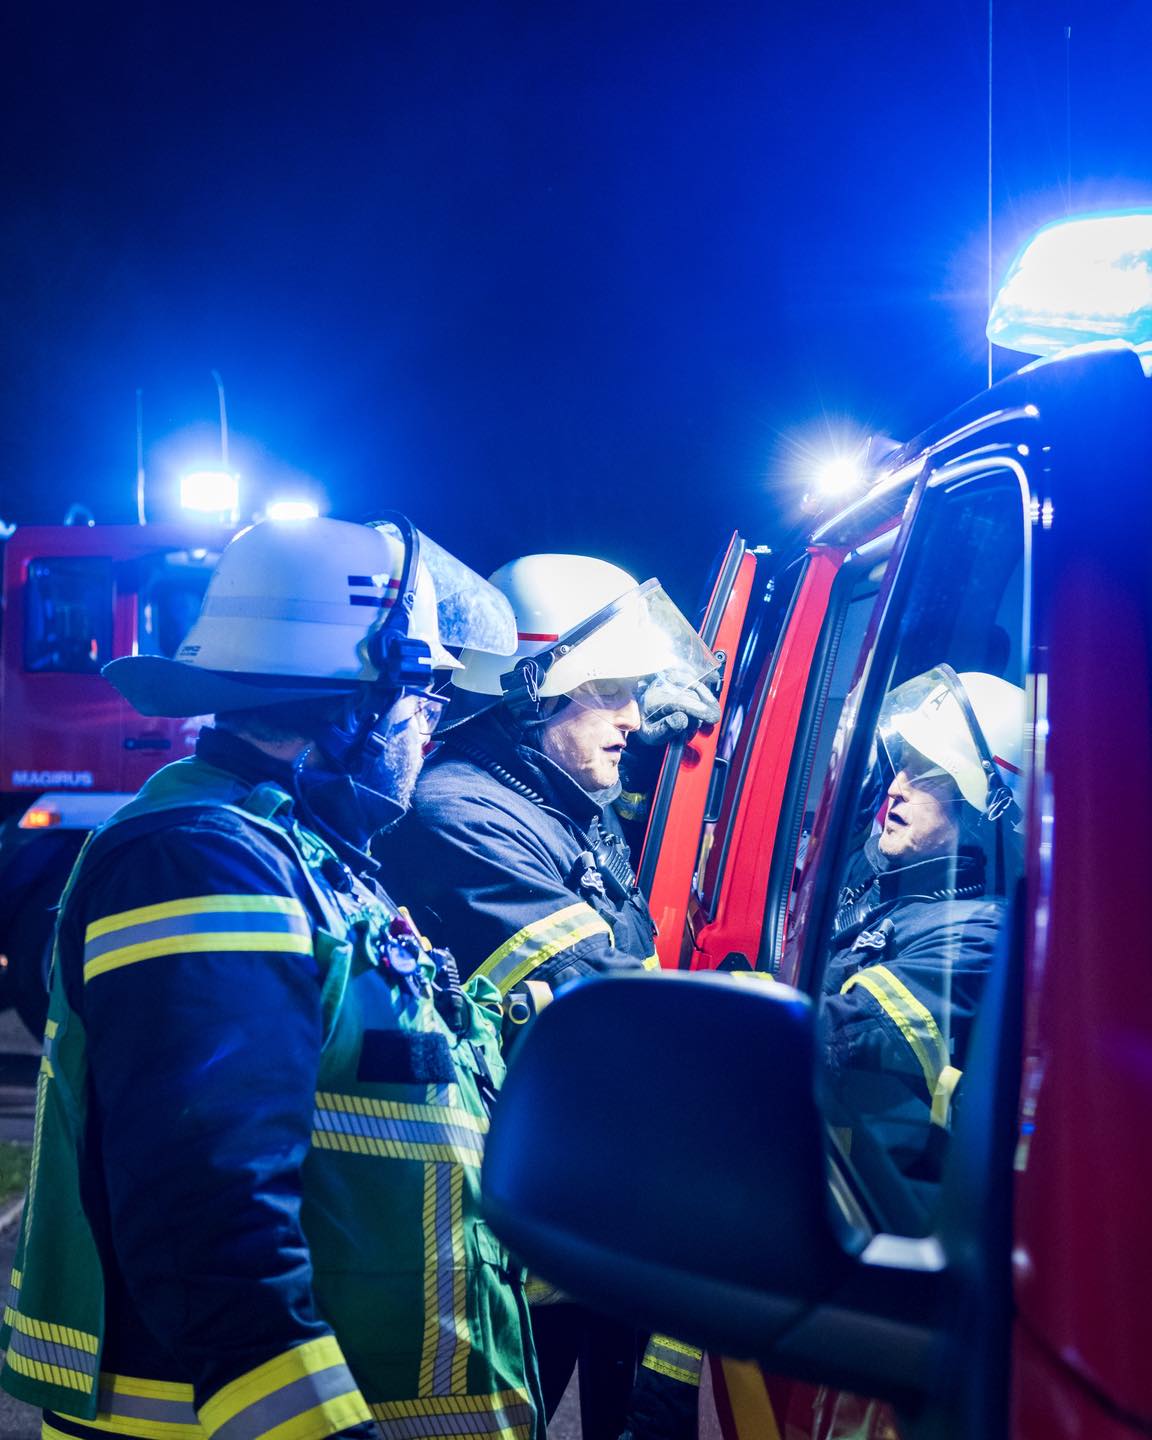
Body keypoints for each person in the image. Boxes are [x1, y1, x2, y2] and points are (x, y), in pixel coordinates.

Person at [0, 515, 544, 1440]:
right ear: (353, 707)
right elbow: (205, 1216)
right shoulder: (201, 863)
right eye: (425, 699)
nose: (430, 731)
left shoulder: (294, 851)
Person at [375, 553, 721, 1440]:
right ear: (532, 694)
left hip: (572, 1200)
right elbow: (602, 997)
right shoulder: (459, 815)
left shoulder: (549, 801)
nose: (634, 717)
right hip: (498, 1227)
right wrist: (750, 1030)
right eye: (610, 690)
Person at [821, 665, 1026, 1179]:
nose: (895, 787)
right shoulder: (894, 881)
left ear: (983, 808)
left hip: (882, 1186)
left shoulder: (979, 938)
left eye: (927, 773)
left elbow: (842, 1032)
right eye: (902, 766)